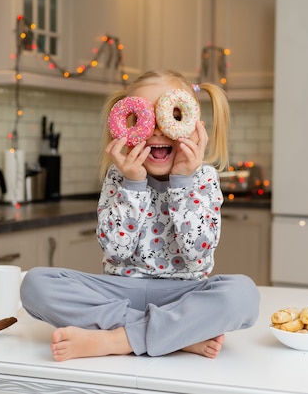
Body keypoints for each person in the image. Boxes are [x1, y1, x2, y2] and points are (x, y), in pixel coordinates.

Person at [20, 69, 260, 361]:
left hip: (183, 293)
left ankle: (118, 339)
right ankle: (177, 334)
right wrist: (133, 184)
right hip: (120, 290)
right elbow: (115, 251)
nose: (157, 130)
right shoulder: (118, 176)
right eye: (143, 119)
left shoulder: (204, 178)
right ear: (125, 124)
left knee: (243, 295)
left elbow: (197, 255)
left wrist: (183, 181)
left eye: (169, 116)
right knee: (35, 284)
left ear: (193, 126)